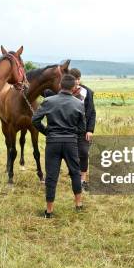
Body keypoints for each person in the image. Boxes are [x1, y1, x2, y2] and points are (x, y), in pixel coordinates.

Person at [32, 74, 85, 218]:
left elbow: (35, 120)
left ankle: (49, 211)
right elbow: (82, 128)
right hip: (70, 143)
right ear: (74, 87)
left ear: (60, 85)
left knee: (51, 176)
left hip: (53, 143)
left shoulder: (48, 101)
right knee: (75, 172)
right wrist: (72, 134)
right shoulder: (79, 104)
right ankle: (78, 204)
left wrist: (47, 132)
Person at [68, 68, 96, 191]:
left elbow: (92, 112)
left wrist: (90, 130)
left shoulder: (87, 92)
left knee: (84, 153)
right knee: (71, 154)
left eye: (78, 79)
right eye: (75, 79)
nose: (77, 82)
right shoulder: (63, 91)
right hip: (68, 129)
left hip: (83, 130)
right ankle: (74, 176)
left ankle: (83, 180)